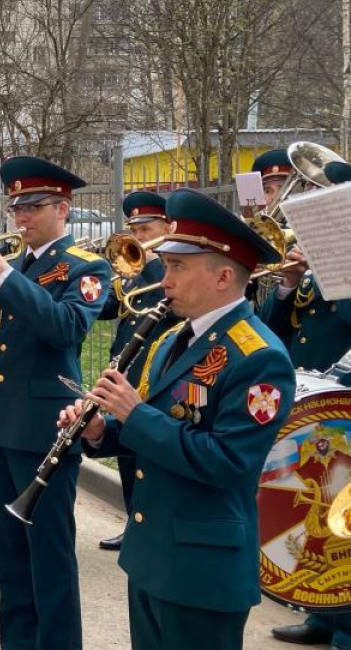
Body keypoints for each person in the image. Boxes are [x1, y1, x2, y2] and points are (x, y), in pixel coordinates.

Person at [62, 188, 295, 650]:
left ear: (225, 276)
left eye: (177, 267)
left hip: (202, 571)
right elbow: (153, 427)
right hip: (152, 555)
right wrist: (99, 431)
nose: (163, 279)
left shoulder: (260, 358)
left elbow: (227, 462)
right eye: (166, 265)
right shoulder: (171, 339)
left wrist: (133, 412)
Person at [0, 156, 110, 647]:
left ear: (63, 208)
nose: (22, 218)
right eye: (17, 208)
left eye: (33, 207)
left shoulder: (86, 266)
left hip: (42, 426)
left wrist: (6, 276)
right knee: (9, 557)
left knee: (49, 559)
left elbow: (67, 328)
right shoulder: (13, 263)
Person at [262, 160, 351, 650]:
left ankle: (346, 624)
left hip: (345, 403)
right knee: (313, 516)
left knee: (343, 515)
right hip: (309, 400)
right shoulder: (318, 263)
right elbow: (273, 328)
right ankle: (321, 612)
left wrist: (334, 269)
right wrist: (290, 283)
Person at [94, 191, 178, 552]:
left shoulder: (165, 271)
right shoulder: (135, 271)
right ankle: (133, 520)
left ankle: (148, 524)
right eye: (136, 229)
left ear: (166, 228)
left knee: (148, 452)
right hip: (127, 371)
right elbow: (108, 308)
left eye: (146, 229)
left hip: (157, 374)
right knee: (127, 451)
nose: (140, 236)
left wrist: (157, 262)